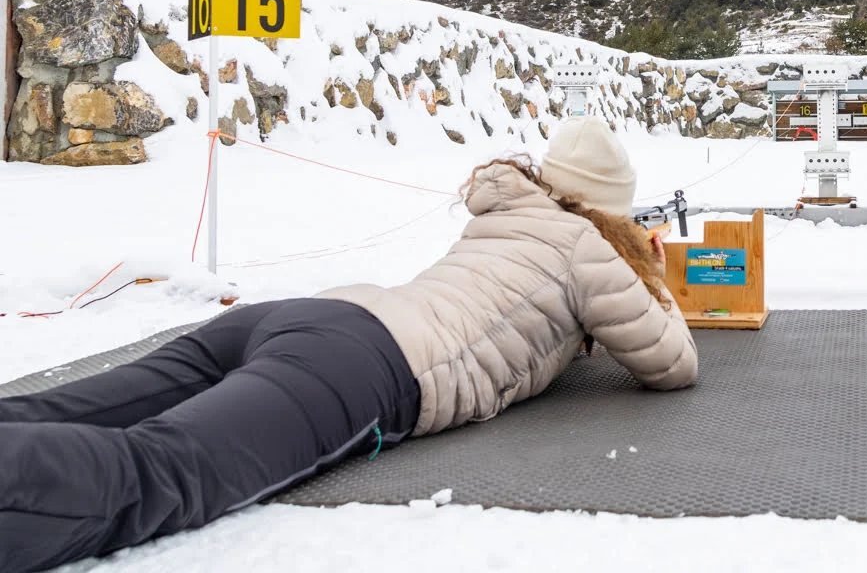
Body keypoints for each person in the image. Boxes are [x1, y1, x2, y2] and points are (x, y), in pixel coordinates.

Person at [0, 117, 697, 573]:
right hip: (366, 366)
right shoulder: (586, 245)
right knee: (157, 475)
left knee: (61, 410)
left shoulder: (504, 214)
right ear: (611, 210)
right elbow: (671, 363)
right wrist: (652, 273)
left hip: (308, 316)